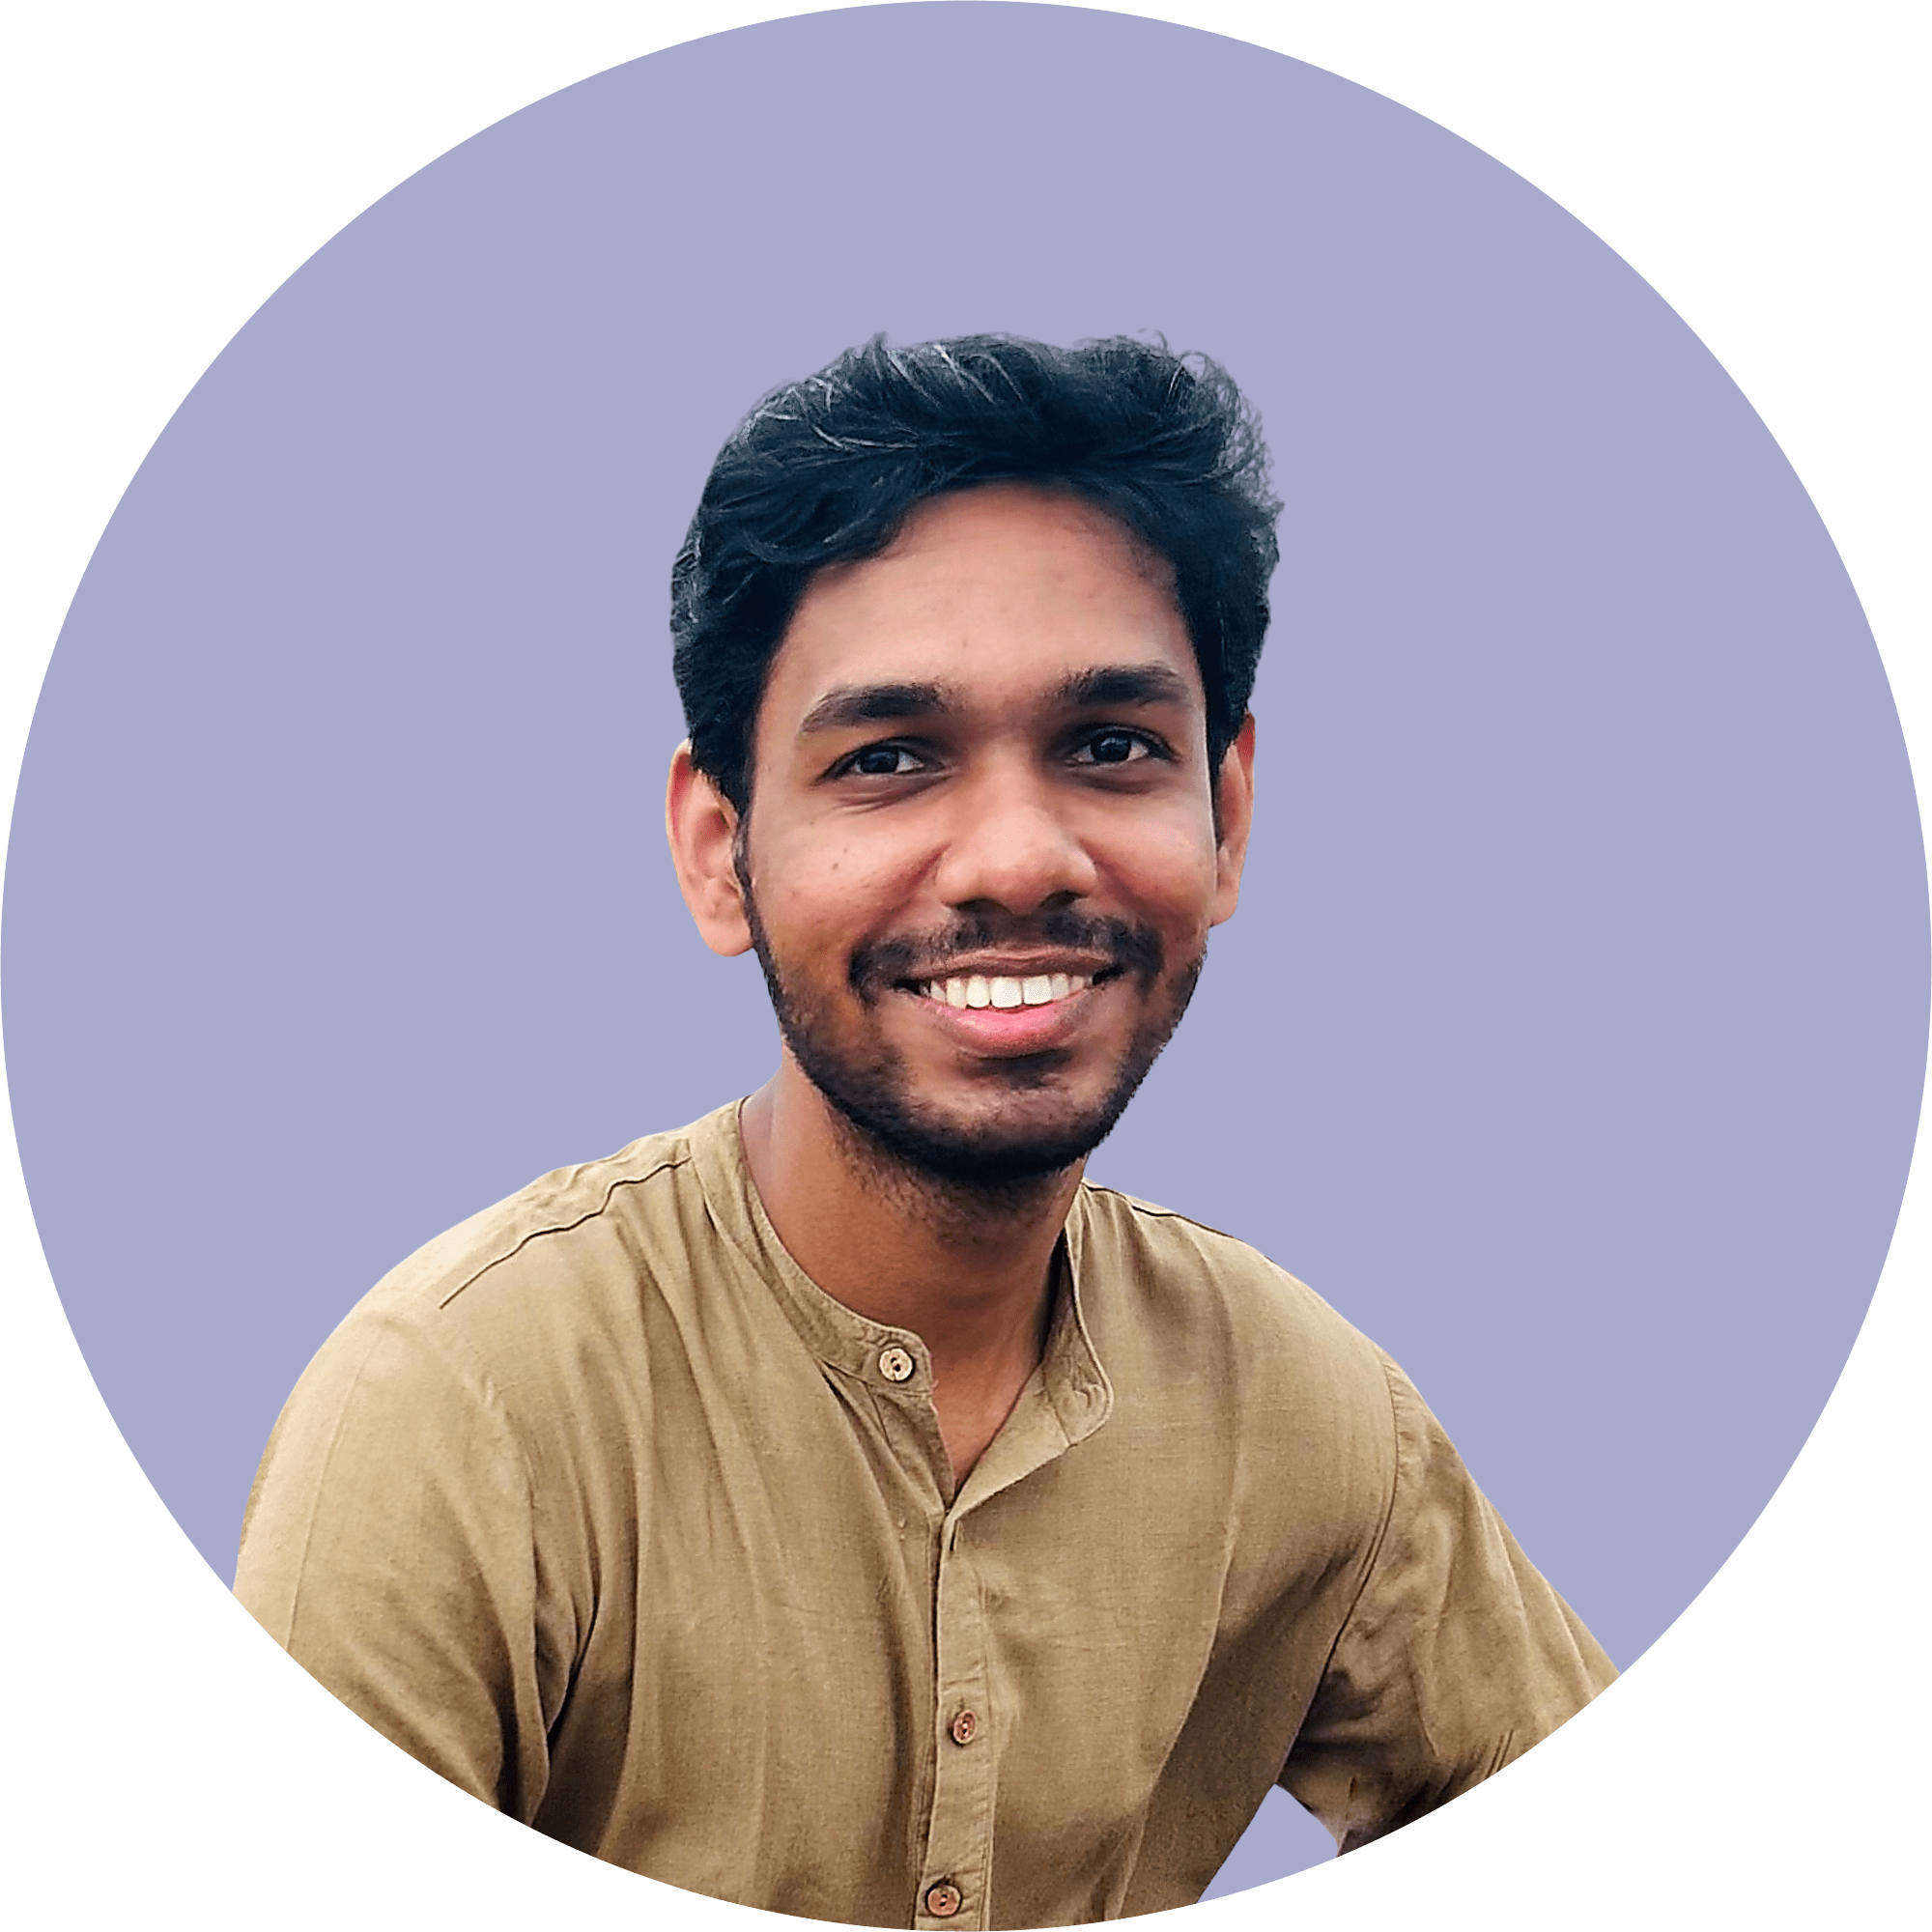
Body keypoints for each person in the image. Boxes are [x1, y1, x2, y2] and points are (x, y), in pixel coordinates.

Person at [235, 333, 1614, 1929]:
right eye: (888, 760)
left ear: (1226, 816)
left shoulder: (1308, 1413)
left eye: (1111, 747)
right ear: (720, 852)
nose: (1016, 859)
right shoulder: (460, 1408)